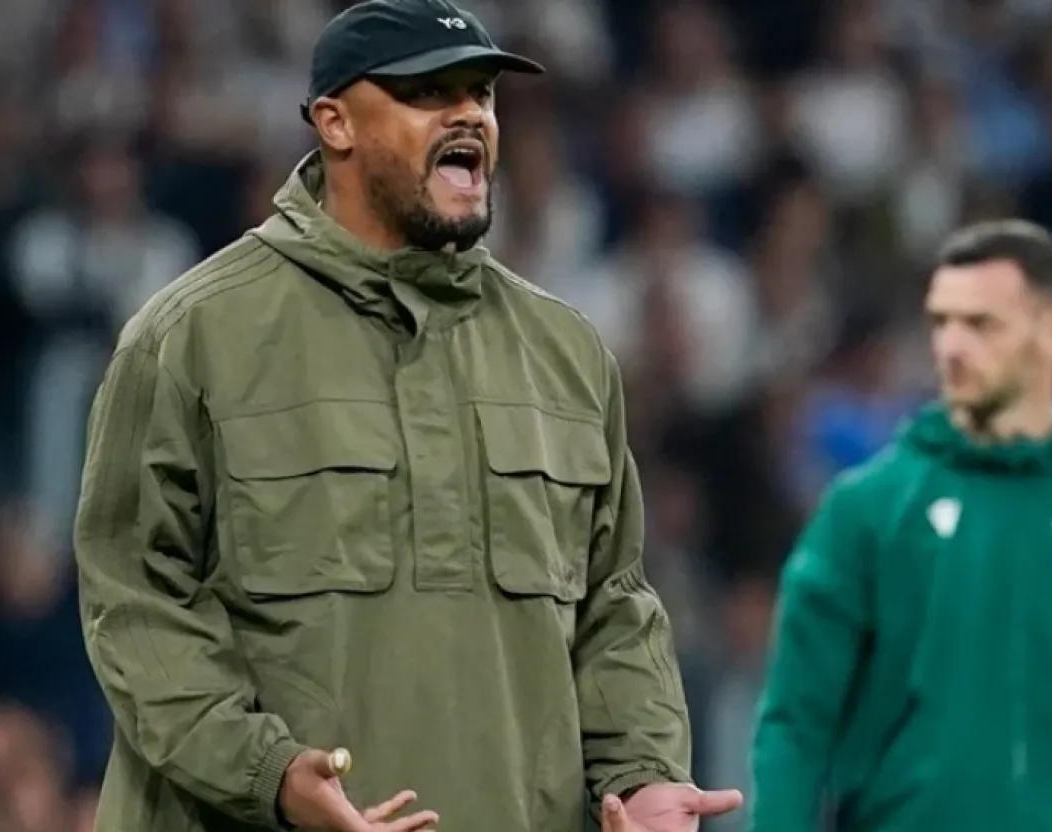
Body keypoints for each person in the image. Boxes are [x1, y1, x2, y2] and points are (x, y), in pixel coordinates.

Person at [73, 2, 742, 831]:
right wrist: (269, 773)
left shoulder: (566, 354)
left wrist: (641, 775)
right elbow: (135, 605)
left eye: (481, 94)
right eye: (428, 93)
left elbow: (615, 606)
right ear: (335, 123)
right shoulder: (191, 338)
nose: (469, 116)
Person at [749, 219, 1052, 831]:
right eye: (942, 322)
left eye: (982, 324)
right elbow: (796, 724)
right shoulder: (864, 512)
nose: (953, 346)